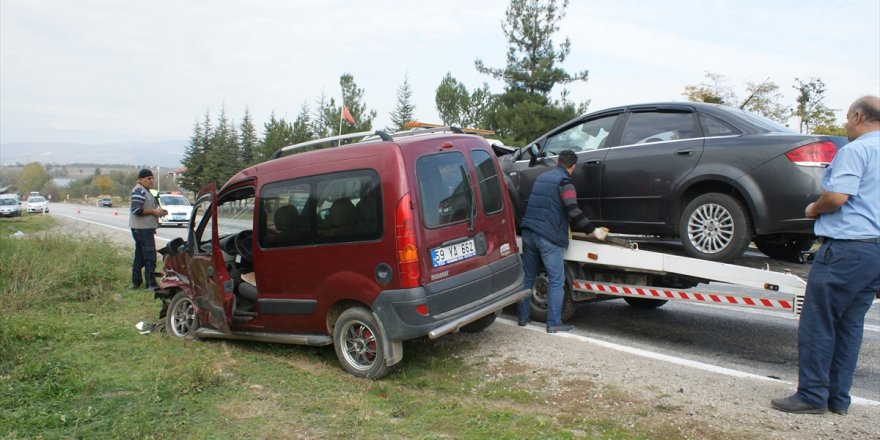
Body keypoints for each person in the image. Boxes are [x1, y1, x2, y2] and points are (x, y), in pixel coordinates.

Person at [771, 95, 880, 415]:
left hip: (847, 249)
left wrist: (813, 209)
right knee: (850, 326)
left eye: (847, 118)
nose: (845, 124)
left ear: (859, 116)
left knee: (819, 322)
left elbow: (836, 196)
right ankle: (838, 399)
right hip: (874, 253)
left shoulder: (857, 150)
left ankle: (812, 395)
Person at [517, 150, 609, 333]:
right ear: (573, 167)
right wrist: (593, 231)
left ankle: (522, 318)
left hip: (528, 232)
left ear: (558, 161)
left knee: (528, 276)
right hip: (548, 237)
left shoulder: (542, 178)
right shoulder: (565, 183)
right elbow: (573, 211)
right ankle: (553, 323)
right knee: (556, 281)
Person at [129, 168, 167, 290]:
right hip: (142, 230)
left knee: (139, 257)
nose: (151, 181)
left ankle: (136, 283)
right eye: (148, 178)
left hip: (144, 229)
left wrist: (157, 214)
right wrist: (154, 212)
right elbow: (136, 210)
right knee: (150, 257)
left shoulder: (146, 191)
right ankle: (151, 284)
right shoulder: (139, 191)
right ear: (140, 179)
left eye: (152, 178)